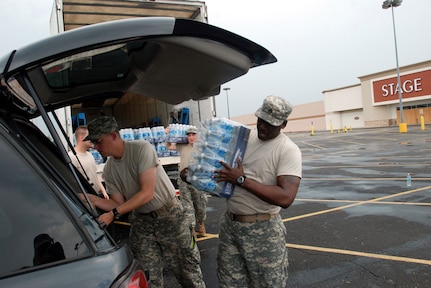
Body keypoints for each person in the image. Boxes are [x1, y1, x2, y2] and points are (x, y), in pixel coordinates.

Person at [81, 116, 205, 288]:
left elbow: (147, 193)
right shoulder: (109, 169)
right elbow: (119, 204)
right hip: (142, 222)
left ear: (113, 136)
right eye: (93, 142)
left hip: (169, 217)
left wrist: (113, 214)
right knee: (148, 277)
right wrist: (94, 200)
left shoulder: (141, 149)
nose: (96, 147)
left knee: (187, 272)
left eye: (98, 141)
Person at [214, 95, 302, 288]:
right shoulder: (246, 139)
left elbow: (286, 197)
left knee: (267, 284)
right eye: (261, 120)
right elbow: (227, 171)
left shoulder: (288, 150)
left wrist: (241, 180)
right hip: (230, 225)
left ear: (283, 124)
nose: (262, 126)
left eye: (270, 124)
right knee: (229, 283)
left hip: (263, 231)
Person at [166, 126, 207, 237]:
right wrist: (168, 134)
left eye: (193, 134)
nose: (191, 137)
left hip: (197, 181)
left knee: (200, 206)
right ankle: (192, 228)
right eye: (189, 135)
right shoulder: (182, 146)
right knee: (187, 206)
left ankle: (201, 223)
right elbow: (169, 146)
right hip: (183, 180)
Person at [69, 125, 109, 199]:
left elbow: (94, 175)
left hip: (96, 196)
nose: (93, 140)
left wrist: (103, 191)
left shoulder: (90, 155)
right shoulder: (72, 157)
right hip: (86, 199)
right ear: (82, 138)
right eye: (90, 137)